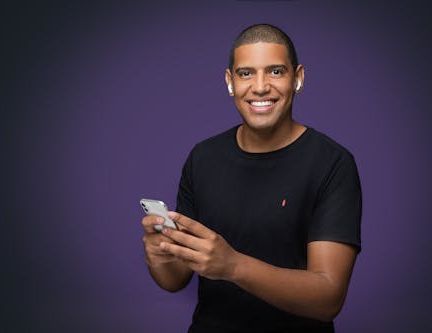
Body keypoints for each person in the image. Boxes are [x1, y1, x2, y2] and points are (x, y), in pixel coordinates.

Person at [141, 23, 362, 333]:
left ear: (297, 78)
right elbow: (175, 280)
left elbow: (328, 298)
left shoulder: (333, 164)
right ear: (230, 82)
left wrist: (233, 266)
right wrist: (159, 256)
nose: (260, 87)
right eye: (246, 73)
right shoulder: (202, 157)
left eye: (275, 71)